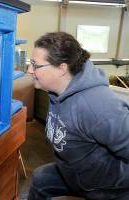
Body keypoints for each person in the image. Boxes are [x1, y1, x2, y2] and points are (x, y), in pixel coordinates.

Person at [27, 32, 129, 200]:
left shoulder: (98, 106)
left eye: (35, 65)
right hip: (76, 176)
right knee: (41, 178)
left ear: (61, 68)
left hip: (109, 190)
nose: (30, 70)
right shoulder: (56, 92)